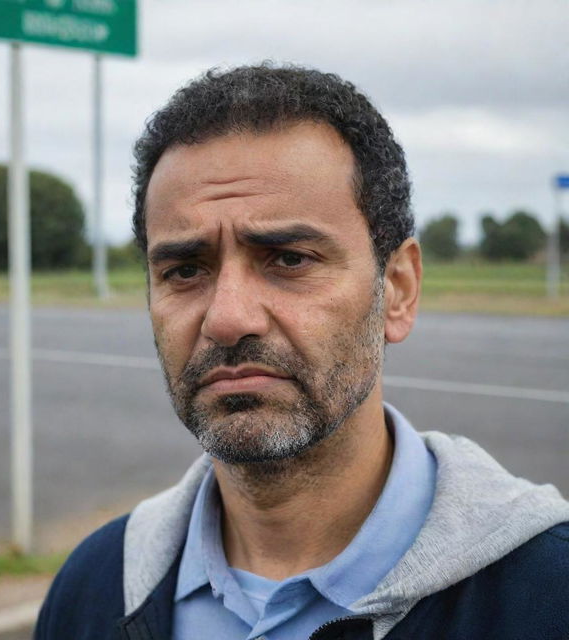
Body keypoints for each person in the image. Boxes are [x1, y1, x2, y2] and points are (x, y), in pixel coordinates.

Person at [35, 64, 569, 640]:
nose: (228, 318)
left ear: (398, 289)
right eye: (185, 269)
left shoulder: (548, 594)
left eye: (289, 259)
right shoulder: (93, 590)